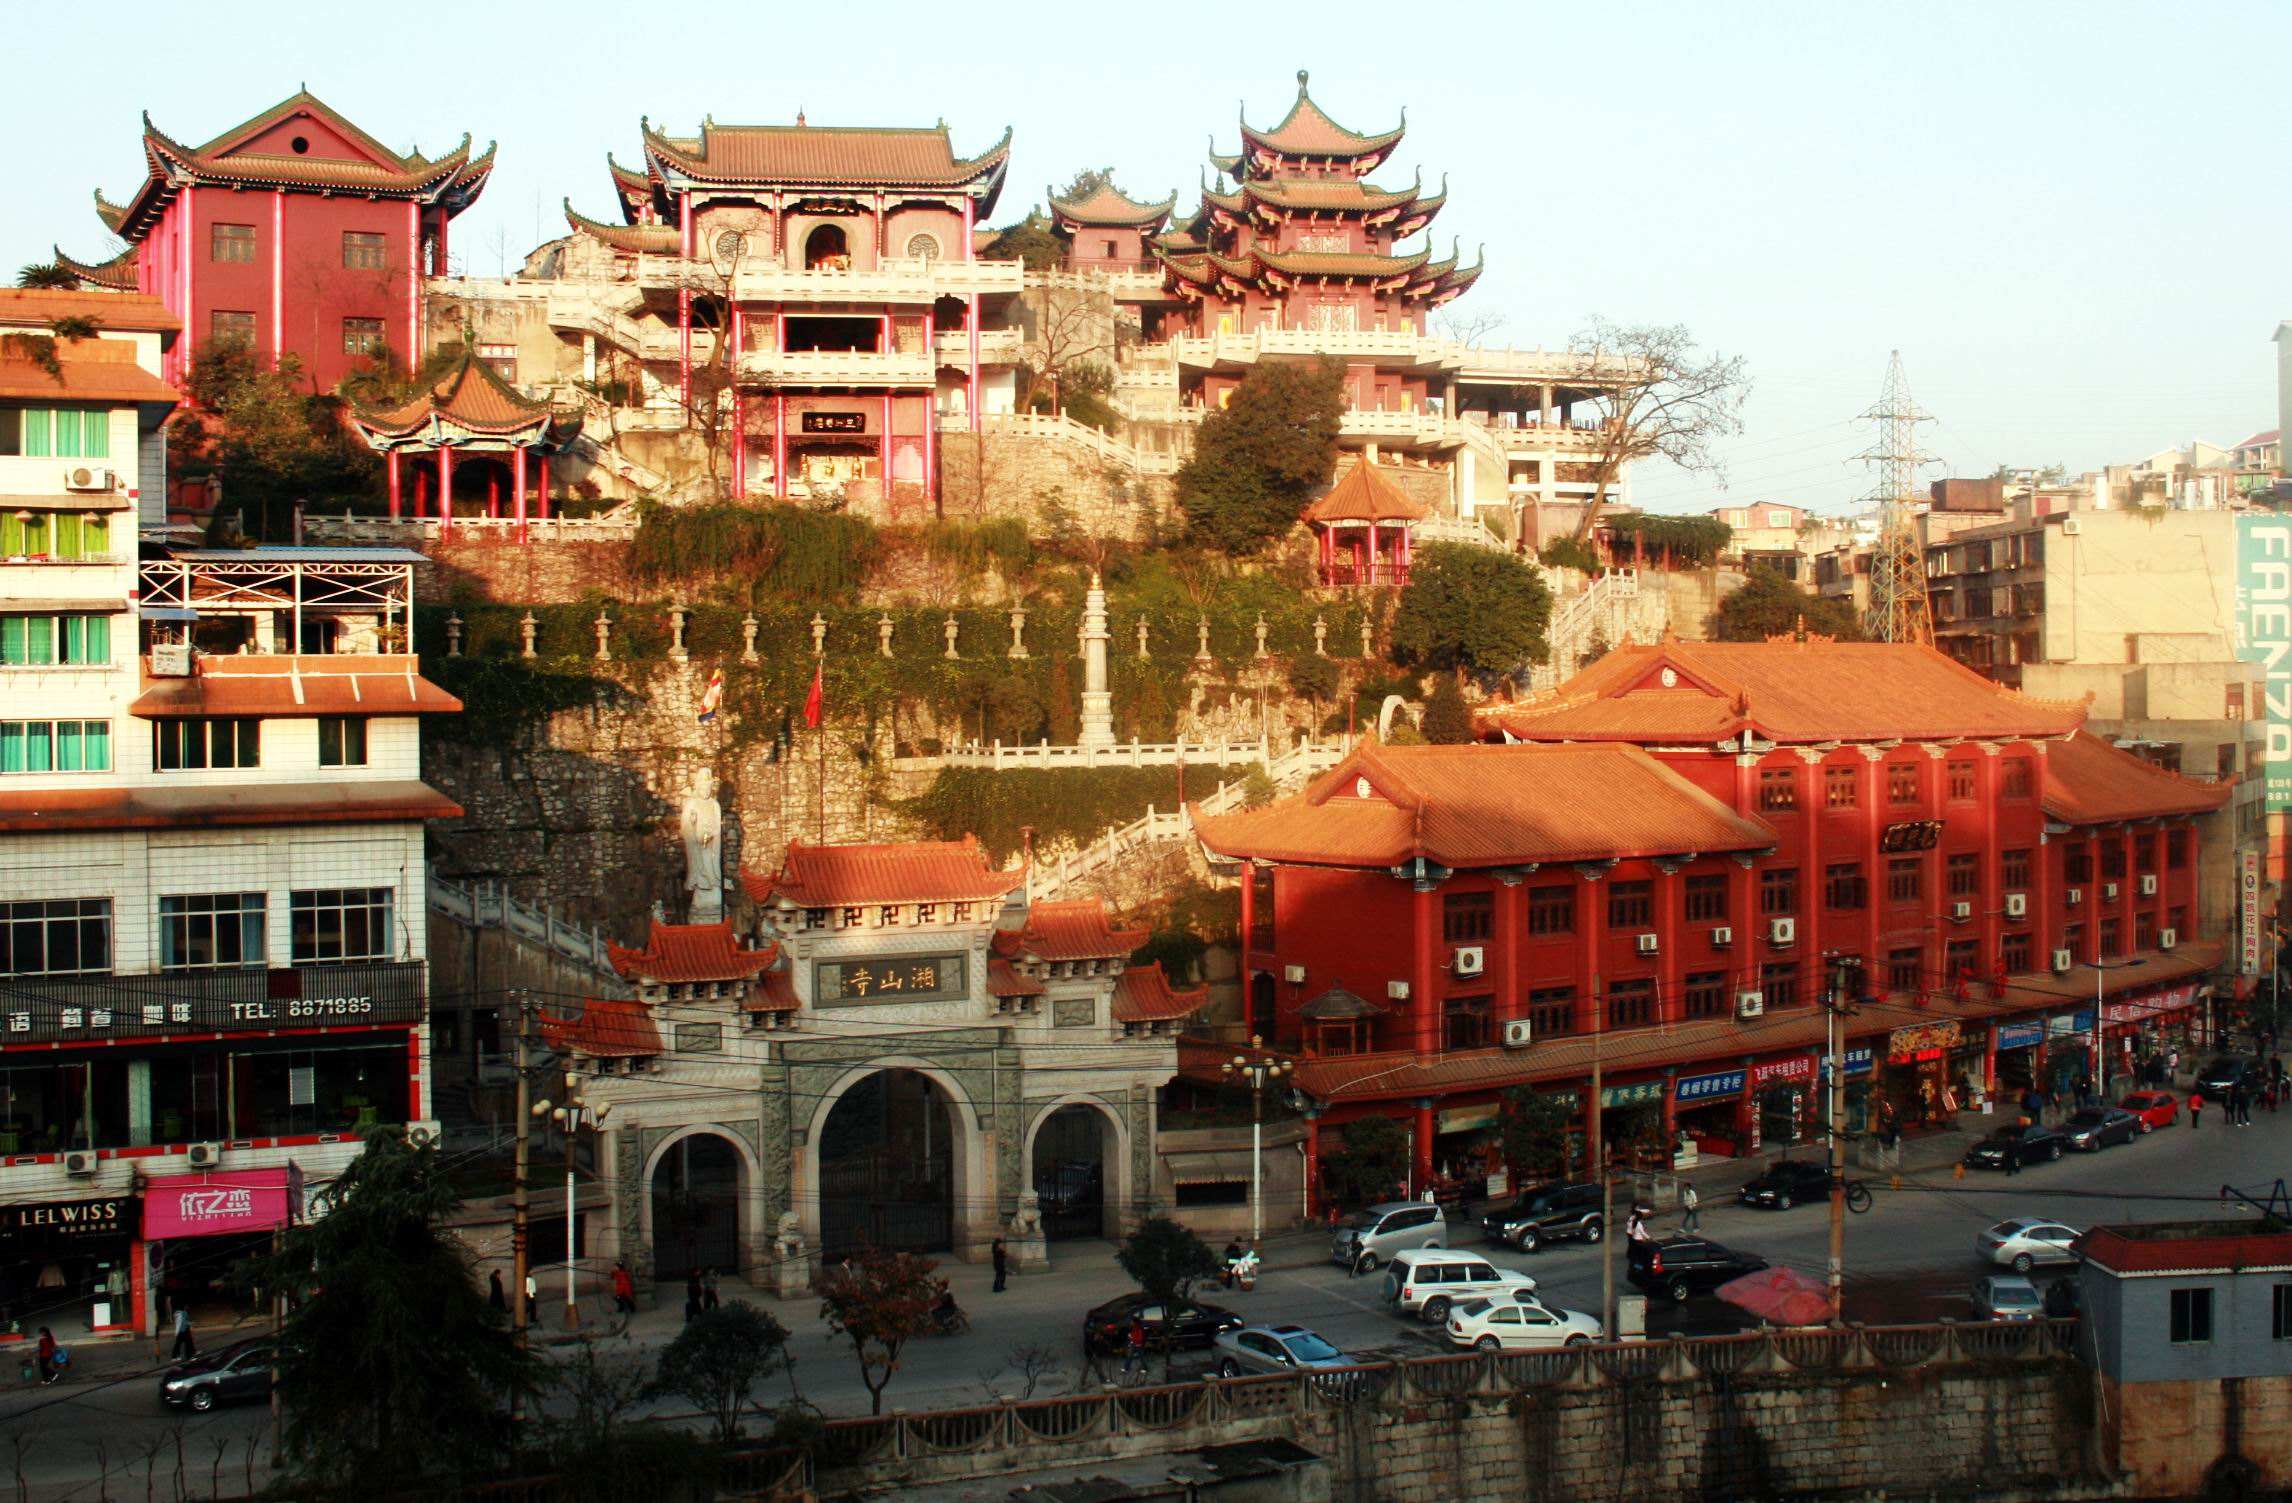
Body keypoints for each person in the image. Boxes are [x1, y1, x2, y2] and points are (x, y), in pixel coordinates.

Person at [1121, 1312, 1148, 1382]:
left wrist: (1131, 1337)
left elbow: (1139, 1338)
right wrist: (1131, 1337)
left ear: (1134, 1322)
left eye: (1131, 1321)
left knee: (1140, 1357)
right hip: (1134, 1344)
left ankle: (1144, 1368)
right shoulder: (1134, 1328)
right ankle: (1126, 1368)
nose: (1130, 1322)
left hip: (1138, 1344)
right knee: (1130, 1356)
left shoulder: (1138, 1328)